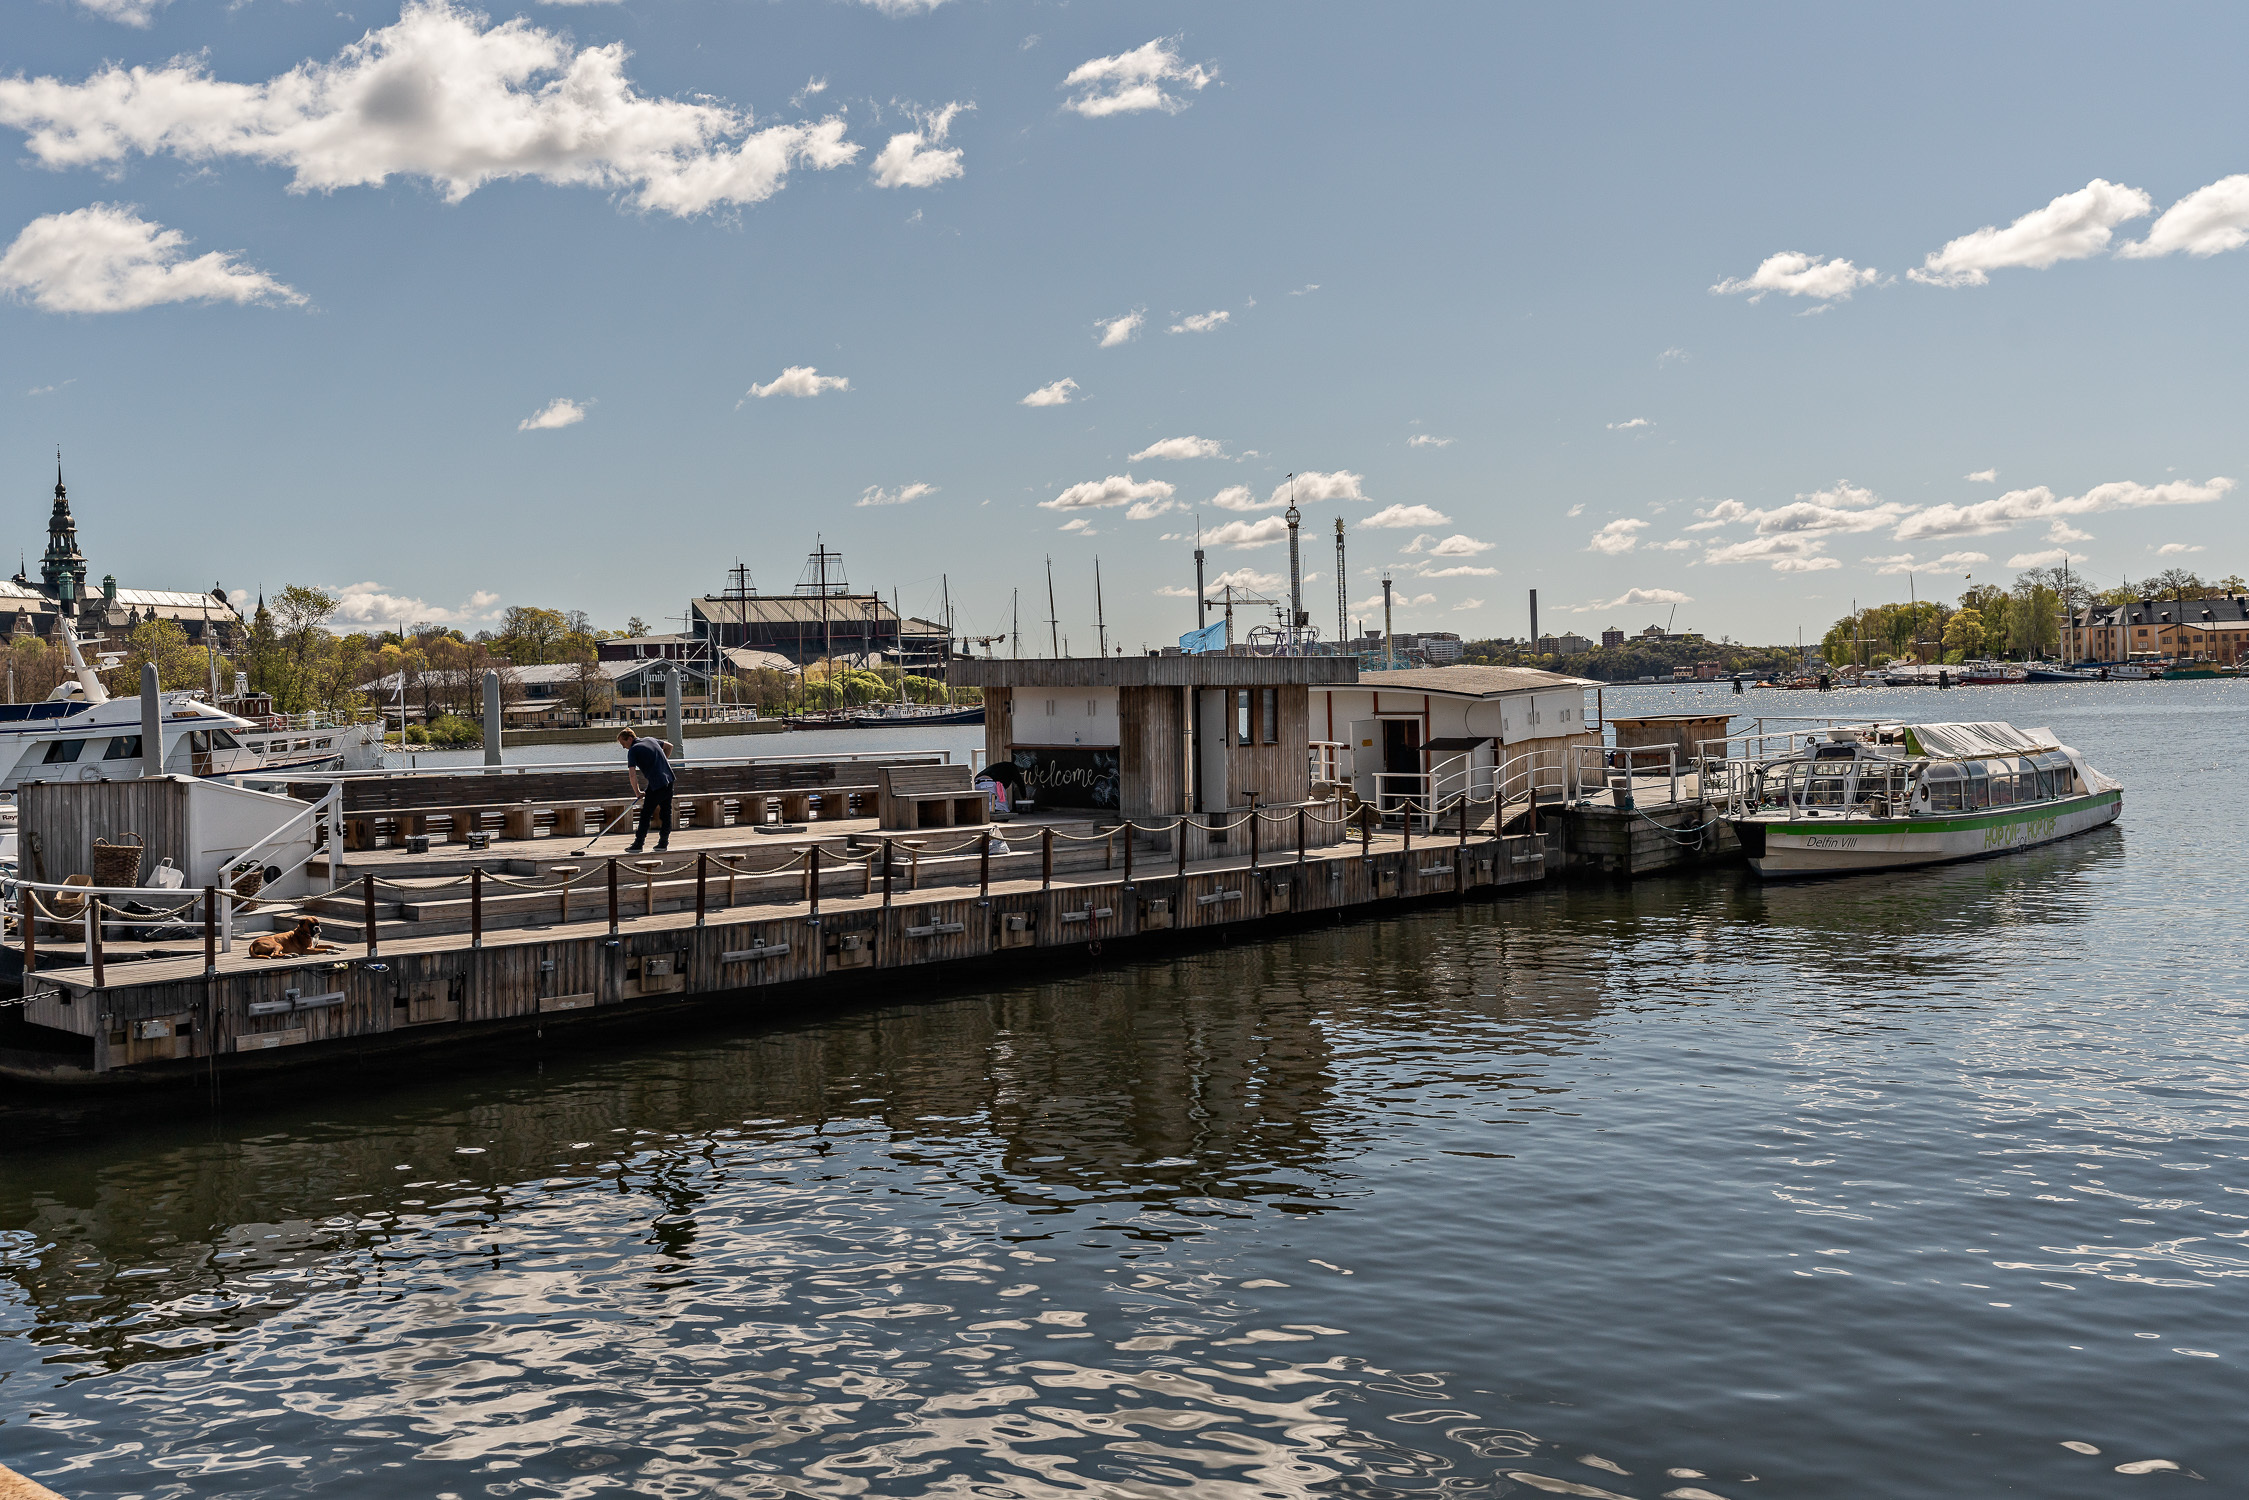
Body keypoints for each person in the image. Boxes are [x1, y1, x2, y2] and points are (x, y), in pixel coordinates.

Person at [619, 728, 674, 852]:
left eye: (623, 743)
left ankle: (639, 844)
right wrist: (661, 763)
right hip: (669, 779)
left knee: (646, 814)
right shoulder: (650, 739)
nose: (623, 747)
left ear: (630, 739)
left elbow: (632, 775)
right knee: (666, 812)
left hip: (656, 783)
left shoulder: (633, 750)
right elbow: (669, 746)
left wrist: (637, 792)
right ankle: (663, 843)